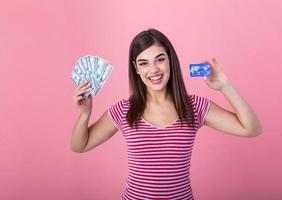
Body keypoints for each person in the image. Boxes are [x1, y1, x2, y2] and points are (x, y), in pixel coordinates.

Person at [71, 28, 262, 200]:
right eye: (144, 63)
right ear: (136, 68)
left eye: (160, 59)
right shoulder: (123, 110)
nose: (153, 70)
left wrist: (225, 87)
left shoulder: (194, 107)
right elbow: (80, 145)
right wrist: (85, 113)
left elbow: (251, 128)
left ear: (170, 60)